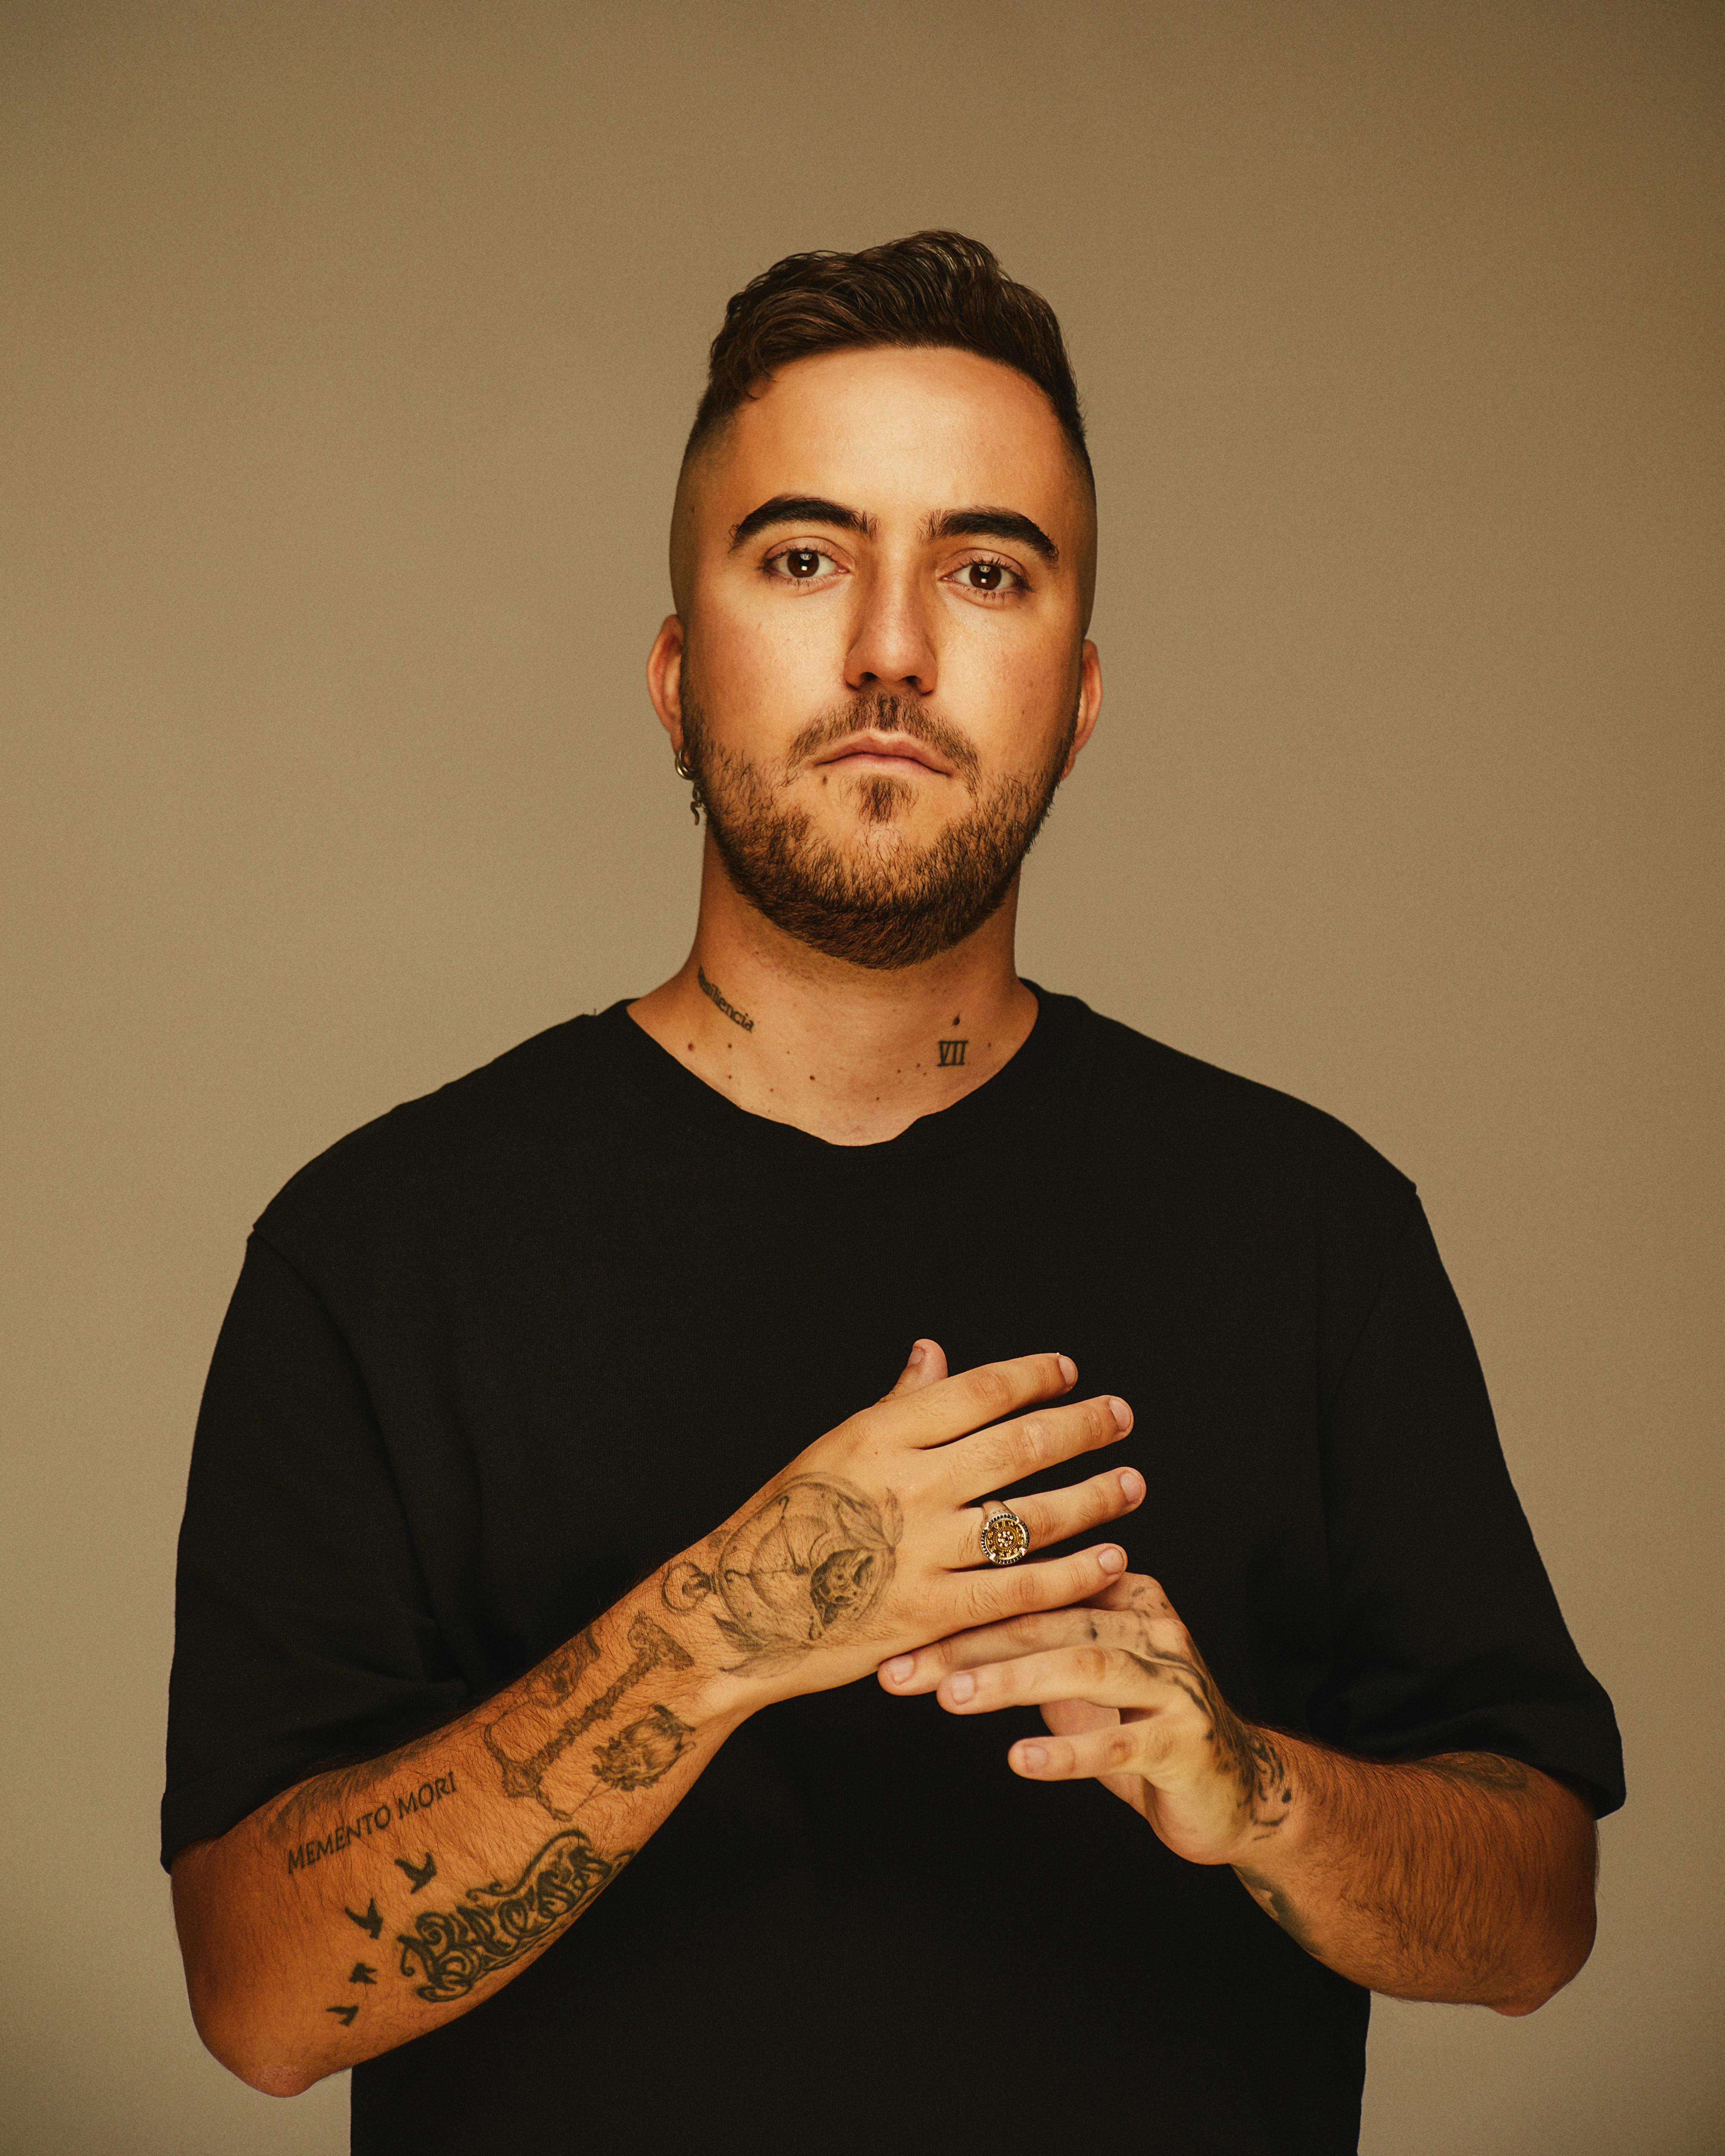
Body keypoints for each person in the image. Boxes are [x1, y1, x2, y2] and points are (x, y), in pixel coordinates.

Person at [164, 232, 1623, 2156]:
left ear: (1075, 699)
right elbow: (263, 2001)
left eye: (984, 569)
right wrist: (720, 1626)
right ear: (675, 674)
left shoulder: (1310, 1230)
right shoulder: (376, 1249)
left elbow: (1535, 1919)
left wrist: (1256, 1788)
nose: (889, 647)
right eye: (802, 556)